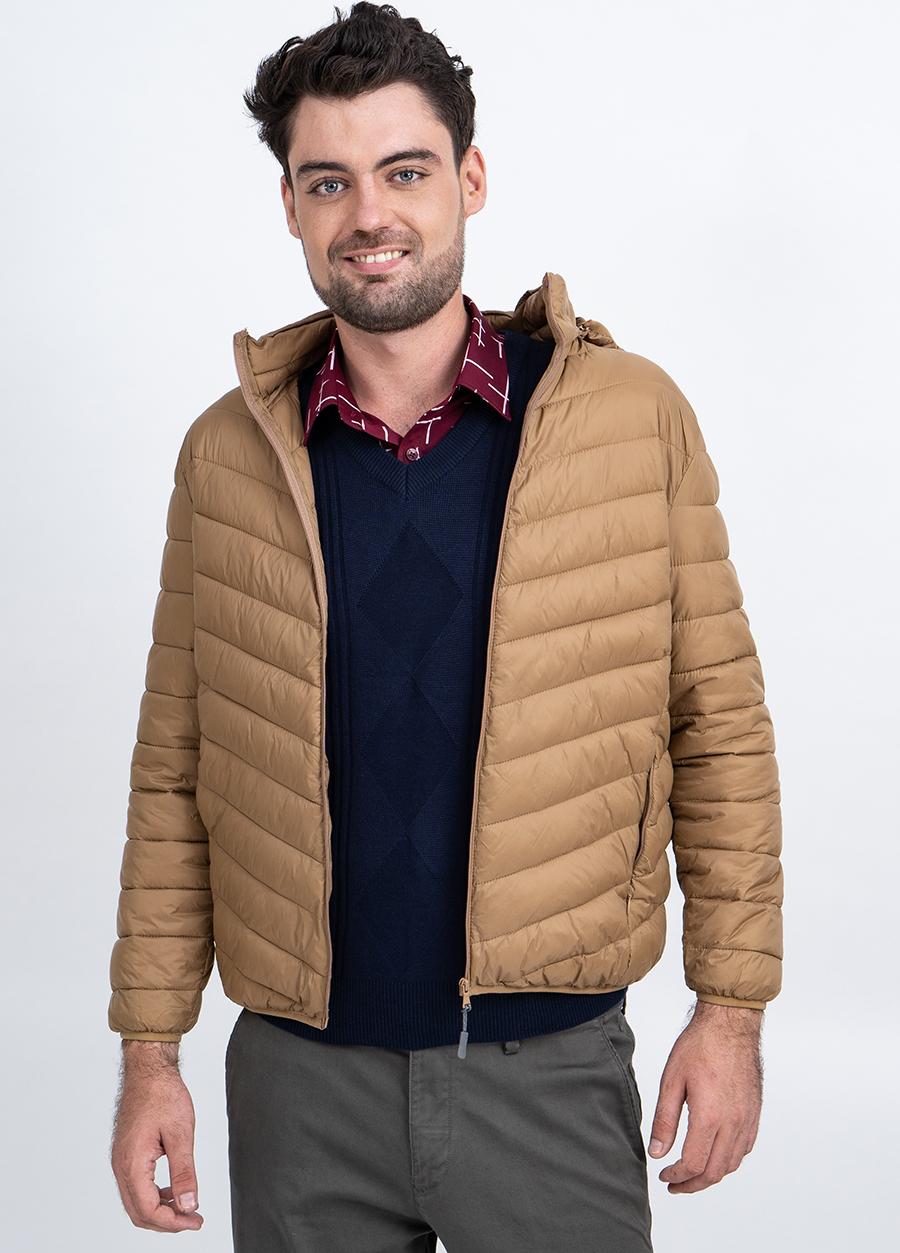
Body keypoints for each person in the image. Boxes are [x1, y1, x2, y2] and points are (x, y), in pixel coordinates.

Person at [107, 4, 784, 1249]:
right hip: (299, 1083)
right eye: (330, 181)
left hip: (547, 1069)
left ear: (470, 179)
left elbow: (719, 723)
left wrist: (729, 1009)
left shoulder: (628, 417)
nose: (370, 213)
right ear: (291, 205)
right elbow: (175, 765)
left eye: (405, 170)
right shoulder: (228, 455)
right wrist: (151, 1052)